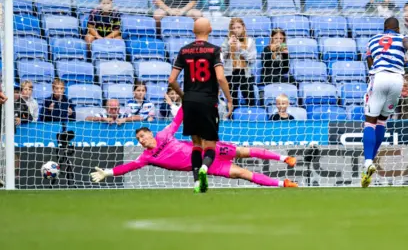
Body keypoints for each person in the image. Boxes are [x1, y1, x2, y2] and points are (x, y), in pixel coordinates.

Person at [90, 107, 299, 188]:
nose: (142, 140)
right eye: (139, 139)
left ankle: (284, 159)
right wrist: (108, 172)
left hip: (210, 150)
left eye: (143, 136)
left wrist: (189, 100)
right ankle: (283, 183)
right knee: (243, 173)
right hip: (210, 166)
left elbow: (178, 119)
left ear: (150, 134)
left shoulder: (164, 134)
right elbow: (129, 166)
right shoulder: (146, 157)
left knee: (245, 151)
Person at [168, 18, 234, 193]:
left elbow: (171, 80)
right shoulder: (214, 50)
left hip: (189, 101)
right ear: (210, 29)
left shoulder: (184, 50)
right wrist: (229, 99)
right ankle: (205, 168)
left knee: (196, 144)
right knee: (210, 146)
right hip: (208, 101)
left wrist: (183, 96)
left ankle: (197, 182)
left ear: (193, 31)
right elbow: (220, 78)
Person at [360, 17, 408, 188]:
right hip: (397, 80)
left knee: (370, 122)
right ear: (397, 28)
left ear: (384, 27)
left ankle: (367, 162)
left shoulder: (373, 40)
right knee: (382, 121)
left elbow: (369, 60)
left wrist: (374, 73)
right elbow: (406, 41)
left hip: (379, 77)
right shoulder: (401, 37)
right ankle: (370, 161)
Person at [221, 18, 257, 107]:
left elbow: (252, 59)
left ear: (243, 27)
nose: (236, 30)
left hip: (245, 73)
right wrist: (229, 45)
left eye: (238, 27)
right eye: (234, 28)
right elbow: (221, 58)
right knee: (232, 103)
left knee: (251, 100)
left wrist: (240, 48)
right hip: (230, 73)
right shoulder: (227, 40)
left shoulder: (250, 41)